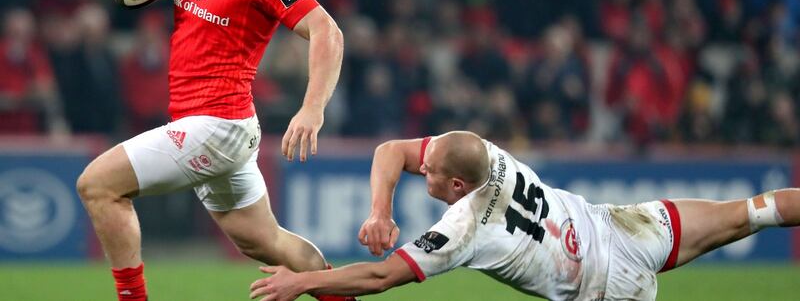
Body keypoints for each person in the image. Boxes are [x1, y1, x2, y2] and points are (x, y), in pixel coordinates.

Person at [76, 0, 350, 301]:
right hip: (210, 125)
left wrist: (312, 109)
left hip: (219, 123)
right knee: (264, 242)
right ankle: (342, 295)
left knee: (98, 185)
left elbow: (326, 32)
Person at [250, 131, 800, 301]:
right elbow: (391, 150)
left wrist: (303, 281)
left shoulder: (463, 228)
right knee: (753, 211)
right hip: (625, 227)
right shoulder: (486, 153)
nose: (424, 170)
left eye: (430, 172)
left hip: (607, 290)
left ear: (456, 186)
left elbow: (378, 276)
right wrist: (380, 210)